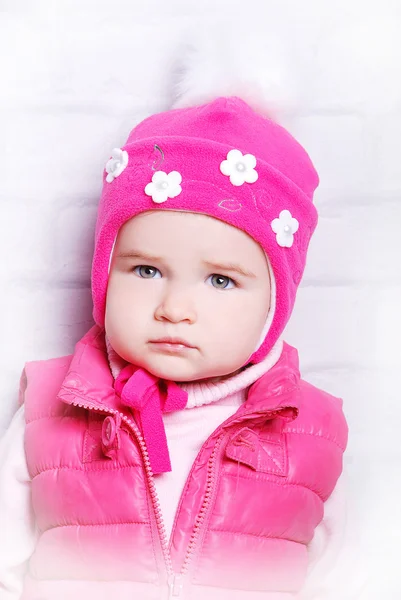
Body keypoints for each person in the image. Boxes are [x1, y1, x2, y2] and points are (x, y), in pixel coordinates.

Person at [0, 95, 348, 599]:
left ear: (275, 306)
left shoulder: (312, 431)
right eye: (146, 270)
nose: (174, 308)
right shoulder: (48, 409)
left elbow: (346, 579)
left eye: (221, 281)